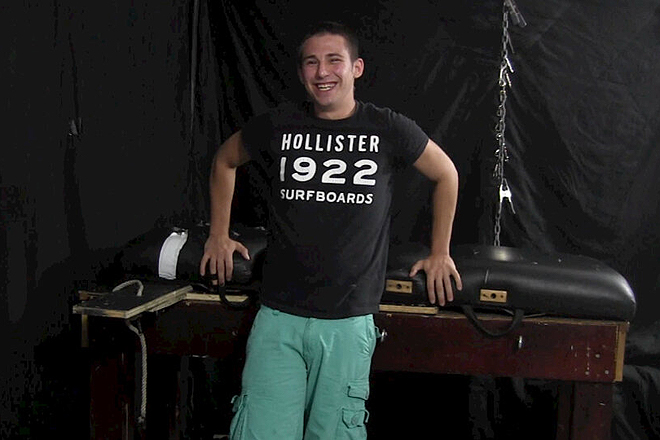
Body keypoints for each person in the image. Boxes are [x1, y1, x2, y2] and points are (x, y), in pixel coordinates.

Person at [200, 21, 462, 440]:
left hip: (347, 318)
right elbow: (224, 161)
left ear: (356, 68)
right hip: (279, 315)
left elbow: (446, 173)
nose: (322, 72)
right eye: (311, 62)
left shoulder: (387, 127)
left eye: (334, 60)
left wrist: (440, 252)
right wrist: (218, 234)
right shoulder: (281, 123)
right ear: (301, 72)